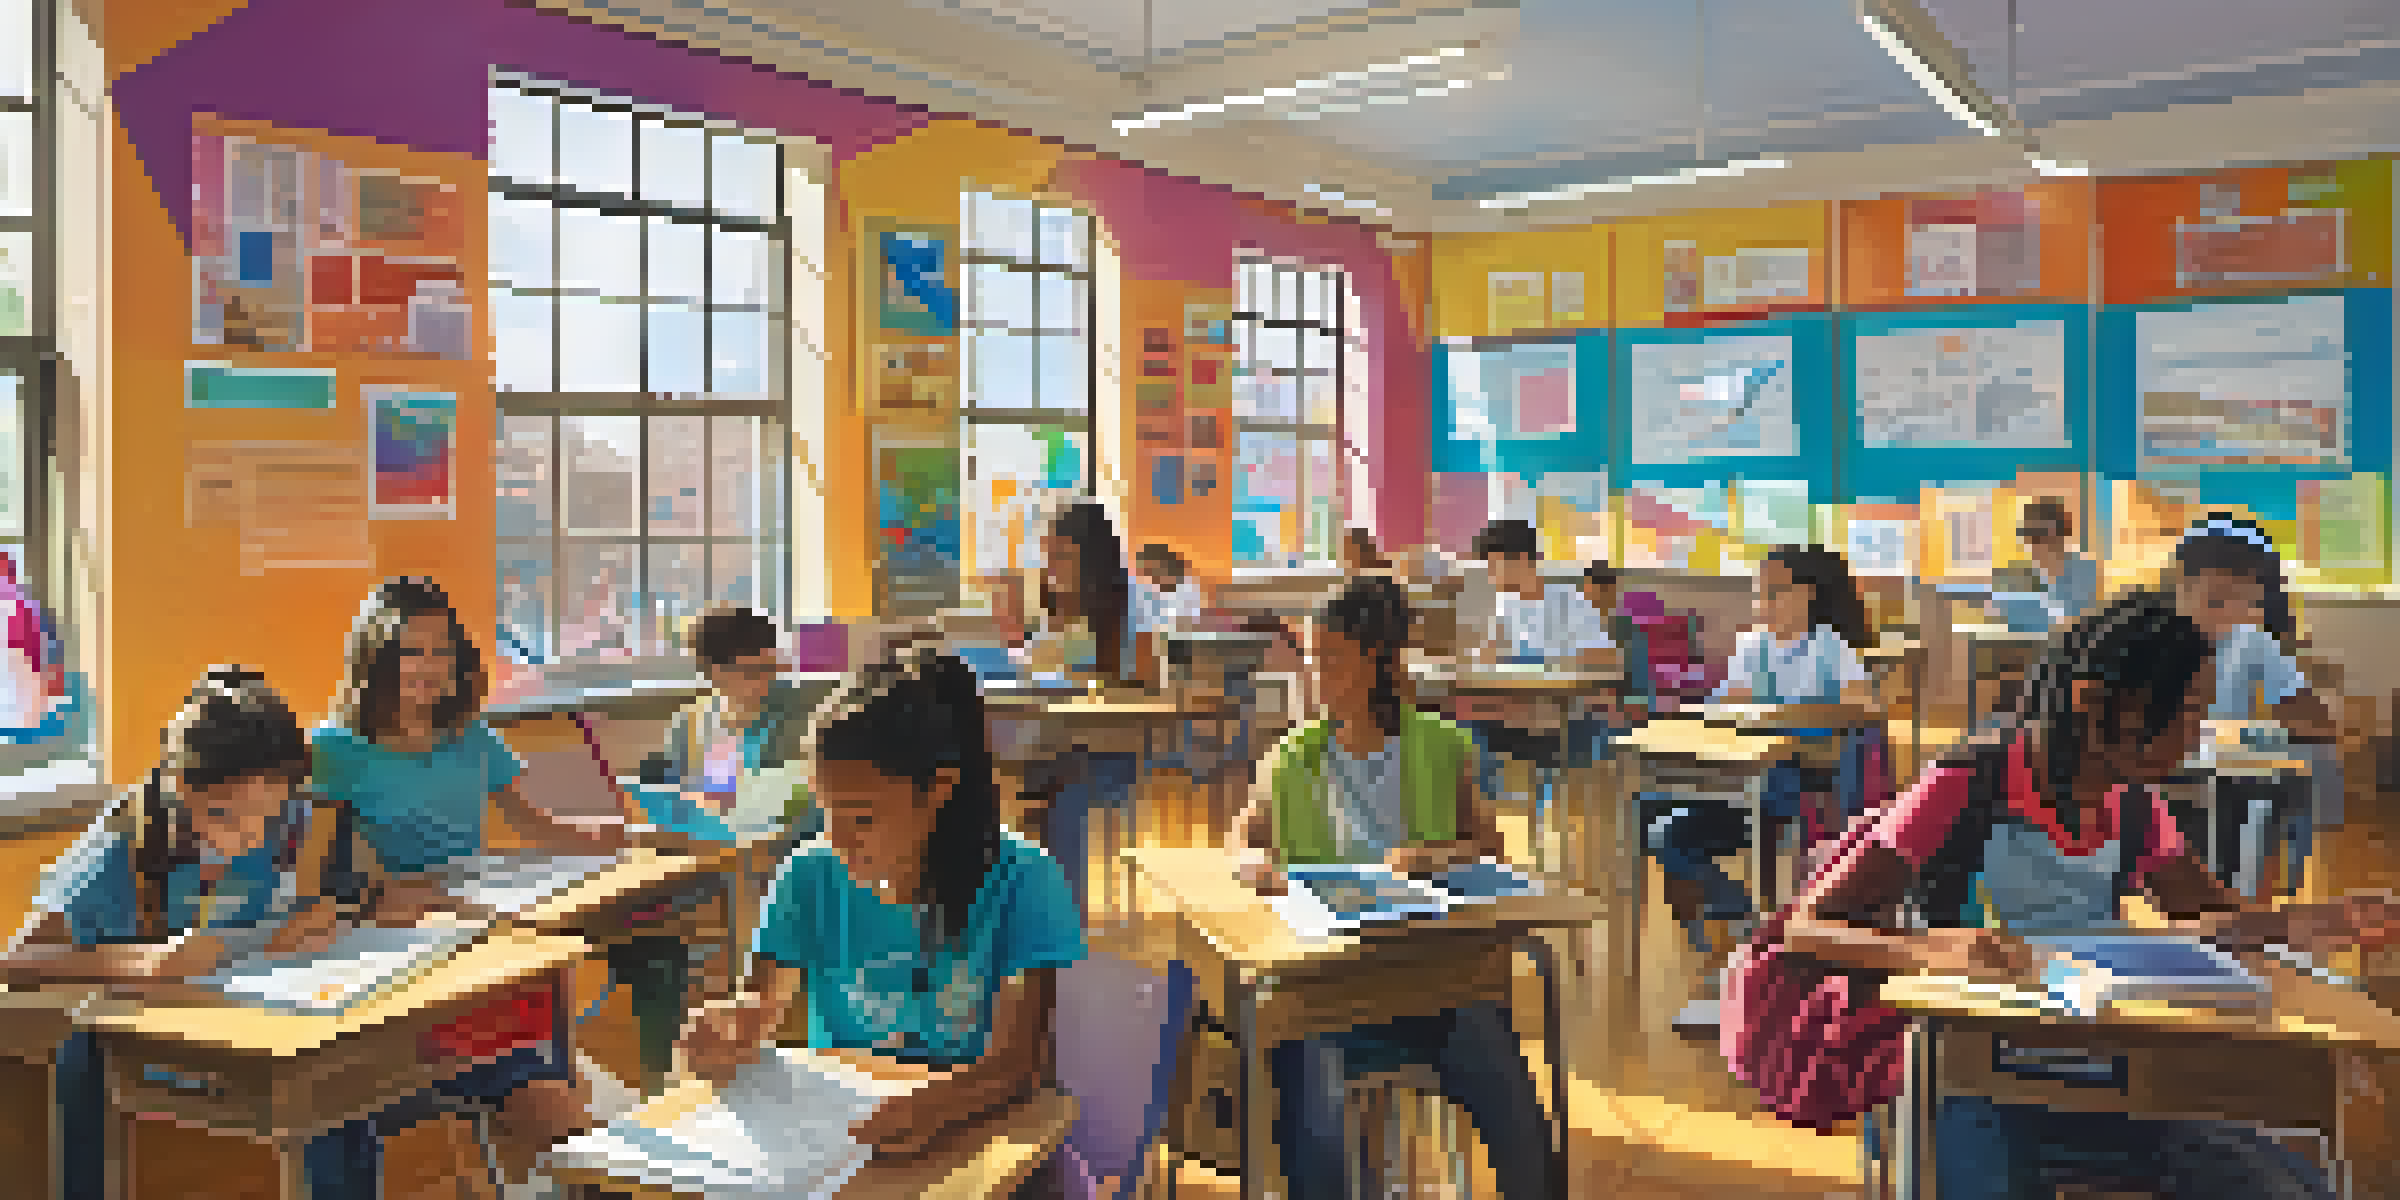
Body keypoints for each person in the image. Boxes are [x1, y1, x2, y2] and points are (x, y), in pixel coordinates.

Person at [1771, 589, 2398, 1199]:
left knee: (2278, 1181)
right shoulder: (1963, 786)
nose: (2197, 733)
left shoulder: (2134, 803)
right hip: (1960, 1067)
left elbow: (2211, 918)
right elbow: (1809, 929)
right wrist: (1932, 952)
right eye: (2185, 714)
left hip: (2098, 1054)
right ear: (2096, 702)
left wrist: (2323, 920)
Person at [678, 648, 1083, 1198]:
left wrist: (935, 1108)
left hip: (980, 1135)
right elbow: (761, 1007)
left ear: (939, 790)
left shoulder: (1023, 882)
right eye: (825, 814)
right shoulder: (809, 875)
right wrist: (732, 1028)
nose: (838, 840)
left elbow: (1012, 1068)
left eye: (863, 817)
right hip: (848, 1140)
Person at [1230, 575, 1556, 1200]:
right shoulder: (1294, 755)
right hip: (1323, 989)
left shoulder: (1440, 747)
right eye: (1311, 659)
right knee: (1313, 1108)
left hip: (1434, 981)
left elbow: (1489, 848)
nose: (1314, 674)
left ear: (1376, 661)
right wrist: (1253, 865)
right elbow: (1245, 837)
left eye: (1330, 660)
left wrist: (1437, 856)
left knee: (1510, 1098)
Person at [308, 577, 605, 1190]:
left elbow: (528, 819)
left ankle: (565, 1120)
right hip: (392, 937)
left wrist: (603, 834)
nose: (428, 667)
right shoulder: (334, 750)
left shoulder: (471, 736)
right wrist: (372, 900)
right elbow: (313, 872)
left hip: (477, 923)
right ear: (375, 659)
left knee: (546, 991)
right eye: (410, 652)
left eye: (440, 651)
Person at [1645, 546, 1875, 951]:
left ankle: (1750, 922)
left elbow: (1862, 708)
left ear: (1805, 594)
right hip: (1734, 778)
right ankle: (1742, 911)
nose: (1763, 603)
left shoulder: (1829, 646)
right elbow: (1731, 702)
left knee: (1739, 800)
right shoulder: (1753, 646)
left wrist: (1782, 715)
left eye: (1774, 592)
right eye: (1759, 593)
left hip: (1791, 781)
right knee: (1659, 828)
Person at [2170, 514, 2340, 897]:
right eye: (2216, 595)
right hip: (2161, 778)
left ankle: (2229, 907)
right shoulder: (2146, 635)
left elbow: (2317, 723)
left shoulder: (2252, 639)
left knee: (2252, 799)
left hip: (2216, 777)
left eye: (2247, 597)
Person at [1459, 519, 1615, 827]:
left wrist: (1544, 663)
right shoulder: (1506, 604)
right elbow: (1490, 657)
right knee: (1464, 729)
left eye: (1495, 567)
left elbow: (1607, 657)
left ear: (1522, 561)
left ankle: (1541, 819)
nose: (1490, 577)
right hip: (1518, 714)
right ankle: (1483, 820)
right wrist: (1485, 654)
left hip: (1566, 718)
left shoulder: (1568, 601)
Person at [2015, 498, 2100, 630]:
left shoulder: (2084, 570)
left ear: (2061, 533)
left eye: (2041, 535)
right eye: (2031, 535)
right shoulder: (2024, 574)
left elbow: (2076, 619)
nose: (2035, 544)